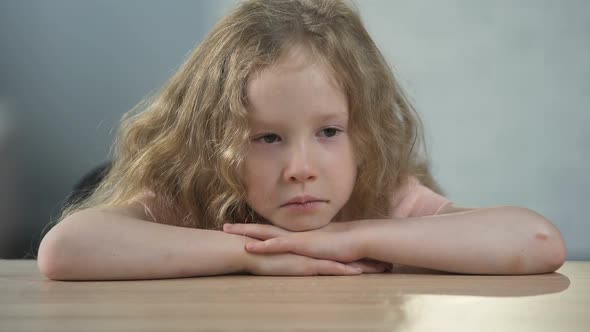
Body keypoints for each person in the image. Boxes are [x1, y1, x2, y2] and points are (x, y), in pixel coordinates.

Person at [37, 0, 566, 281]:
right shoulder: (198, 189)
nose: (301, 168)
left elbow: (536, 241)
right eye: (267, 137)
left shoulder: (379, 195)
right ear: (216, 140)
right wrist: (254, 254)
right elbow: (64, 249)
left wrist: (352, 236)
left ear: (365, 133)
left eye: (329, 132)